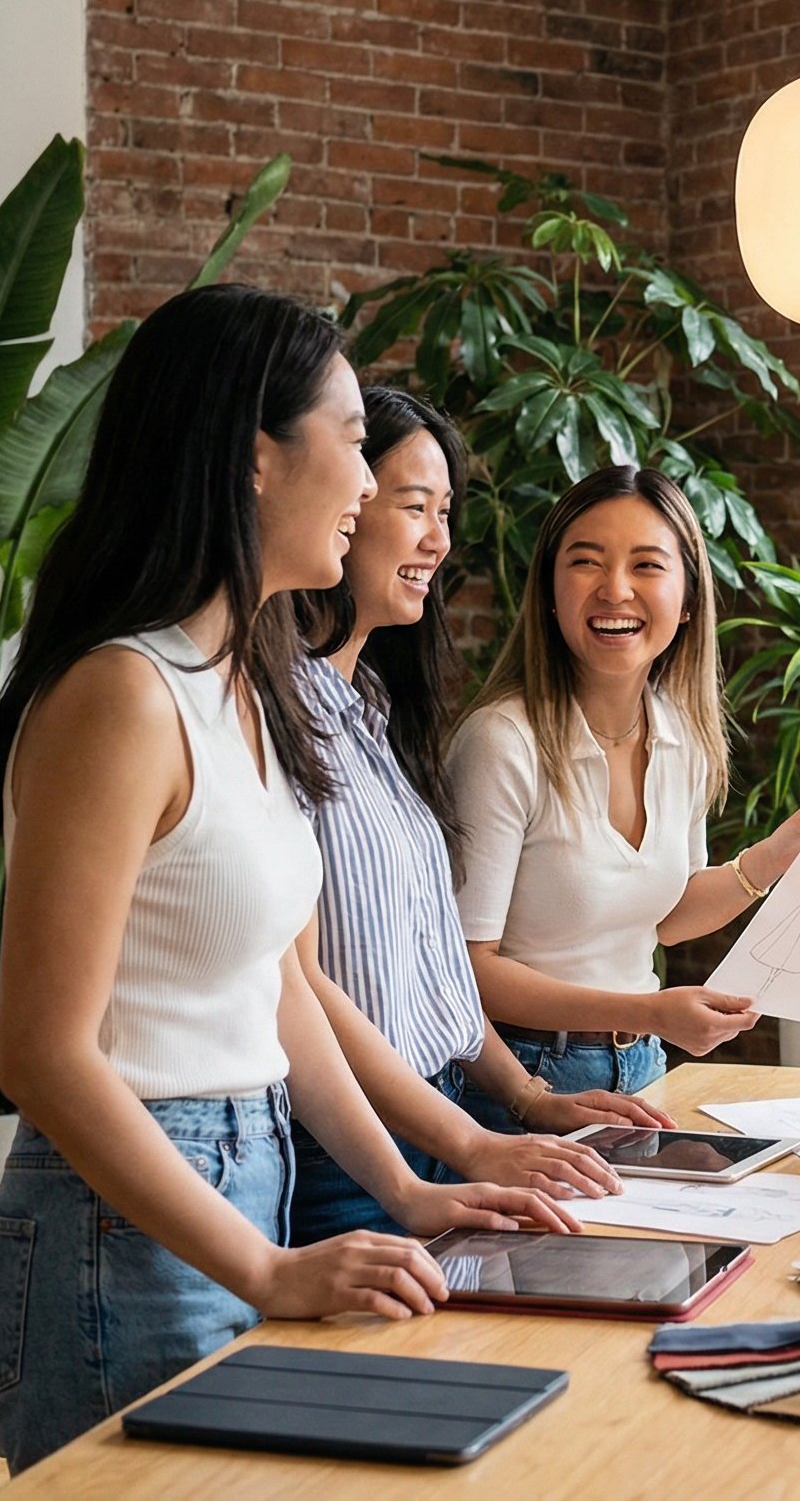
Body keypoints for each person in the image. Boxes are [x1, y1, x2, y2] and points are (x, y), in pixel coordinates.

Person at [0, 285, 564, 1473]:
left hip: (247, 1176)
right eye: (351, 442)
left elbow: (281, 989)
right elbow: (40, 1052)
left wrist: (407, 1188)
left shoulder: (246, 686)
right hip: (119, 1227)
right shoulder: (121, 696)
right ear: (253, 460)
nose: (367, 488)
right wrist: (267, 1269)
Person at [284, 386, 673, 1243]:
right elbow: (301, 984)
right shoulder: (278, 712)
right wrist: (468, 1138)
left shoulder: (371, 708)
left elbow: (432, 977)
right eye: (413, 506)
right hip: (349, 1151)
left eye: (445, 512)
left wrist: (526, 1099)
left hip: (442, 1120)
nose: (439, 540)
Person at [448, 468, 800, 1108]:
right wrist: (649, 1011)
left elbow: (669, 917)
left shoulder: (683, 735)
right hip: (519, 1076)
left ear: (687, 599)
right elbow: (465, 969)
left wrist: (772, 858)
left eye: (646, 565)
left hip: (644, 1067)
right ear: (549, 590)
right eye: (586, 561)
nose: (615, 589)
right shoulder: (502, 742)